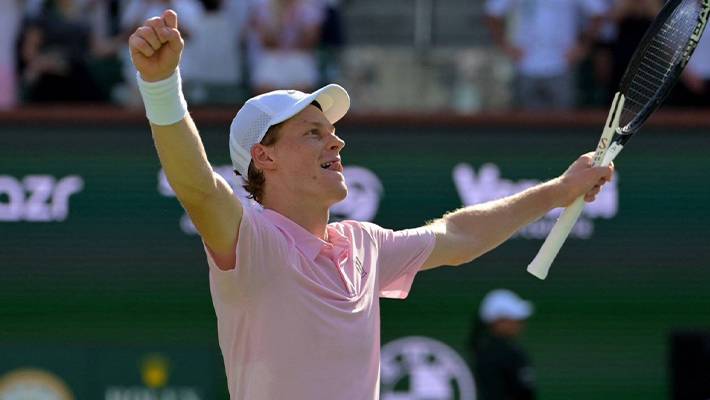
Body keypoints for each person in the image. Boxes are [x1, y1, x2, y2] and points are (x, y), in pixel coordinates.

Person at [128, 9, 614, 399]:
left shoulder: (364, 245)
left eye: (333, 132)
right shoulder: (252, 241)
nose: (336, 143)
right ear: (264, 156)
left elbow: (460, 235)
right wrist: (161, 85)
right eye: (313, 133)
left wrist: (560, 189)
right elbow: (197, 186)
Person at [485, 0, 607, 110]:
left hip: (562, 65)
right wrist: (506, 47)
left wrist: (583, 46)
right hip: (525, 65)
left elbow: (599, 13)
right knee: (525, 121)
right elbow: (492, 13)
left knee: (564, 121)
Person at [470, 289, 536, 400]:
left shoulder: (485, 350)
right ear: (499, 322)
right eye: (515, 319)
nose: (520, 324)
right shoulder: (495, 354)